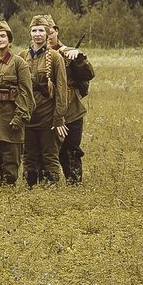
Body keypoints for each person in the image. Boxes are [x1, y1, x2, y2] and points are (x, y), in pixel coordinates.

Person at [22, 17, 66, 186]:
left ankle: (51, 194)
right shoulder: (23, 56)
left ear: (48, 33)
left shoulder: (55, 57)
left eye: (41, 30)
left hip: (47, 117)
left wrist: (58, 117)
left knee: (49, 156)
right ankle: (30, 190)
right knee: (28, 157)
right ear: (30, 33)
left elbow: (61, 89)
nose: (37, 34)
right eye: (34, 30)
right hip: (28, 117)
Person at [0, 20, 27, 186]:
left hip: (10, 119)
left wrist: (19, 118)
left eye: (3, 36)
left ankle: (9, 194)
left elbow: (26, 93)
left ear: (9, 39)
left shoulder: (18, 63)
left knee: (10, 164)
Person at [50, 15, 93, 183]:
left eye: (50, 31)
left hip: (71, 110)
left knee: (71, 150)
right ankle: (47, 185)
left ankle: (74, 185)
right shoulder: (34, 55)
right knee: (46, 151)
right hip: (45, 110)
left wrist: (79, 58)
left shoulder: (69, 52)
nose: (47, 35)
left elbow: (88, 74)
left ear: (56, 32)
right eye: (42, 32)